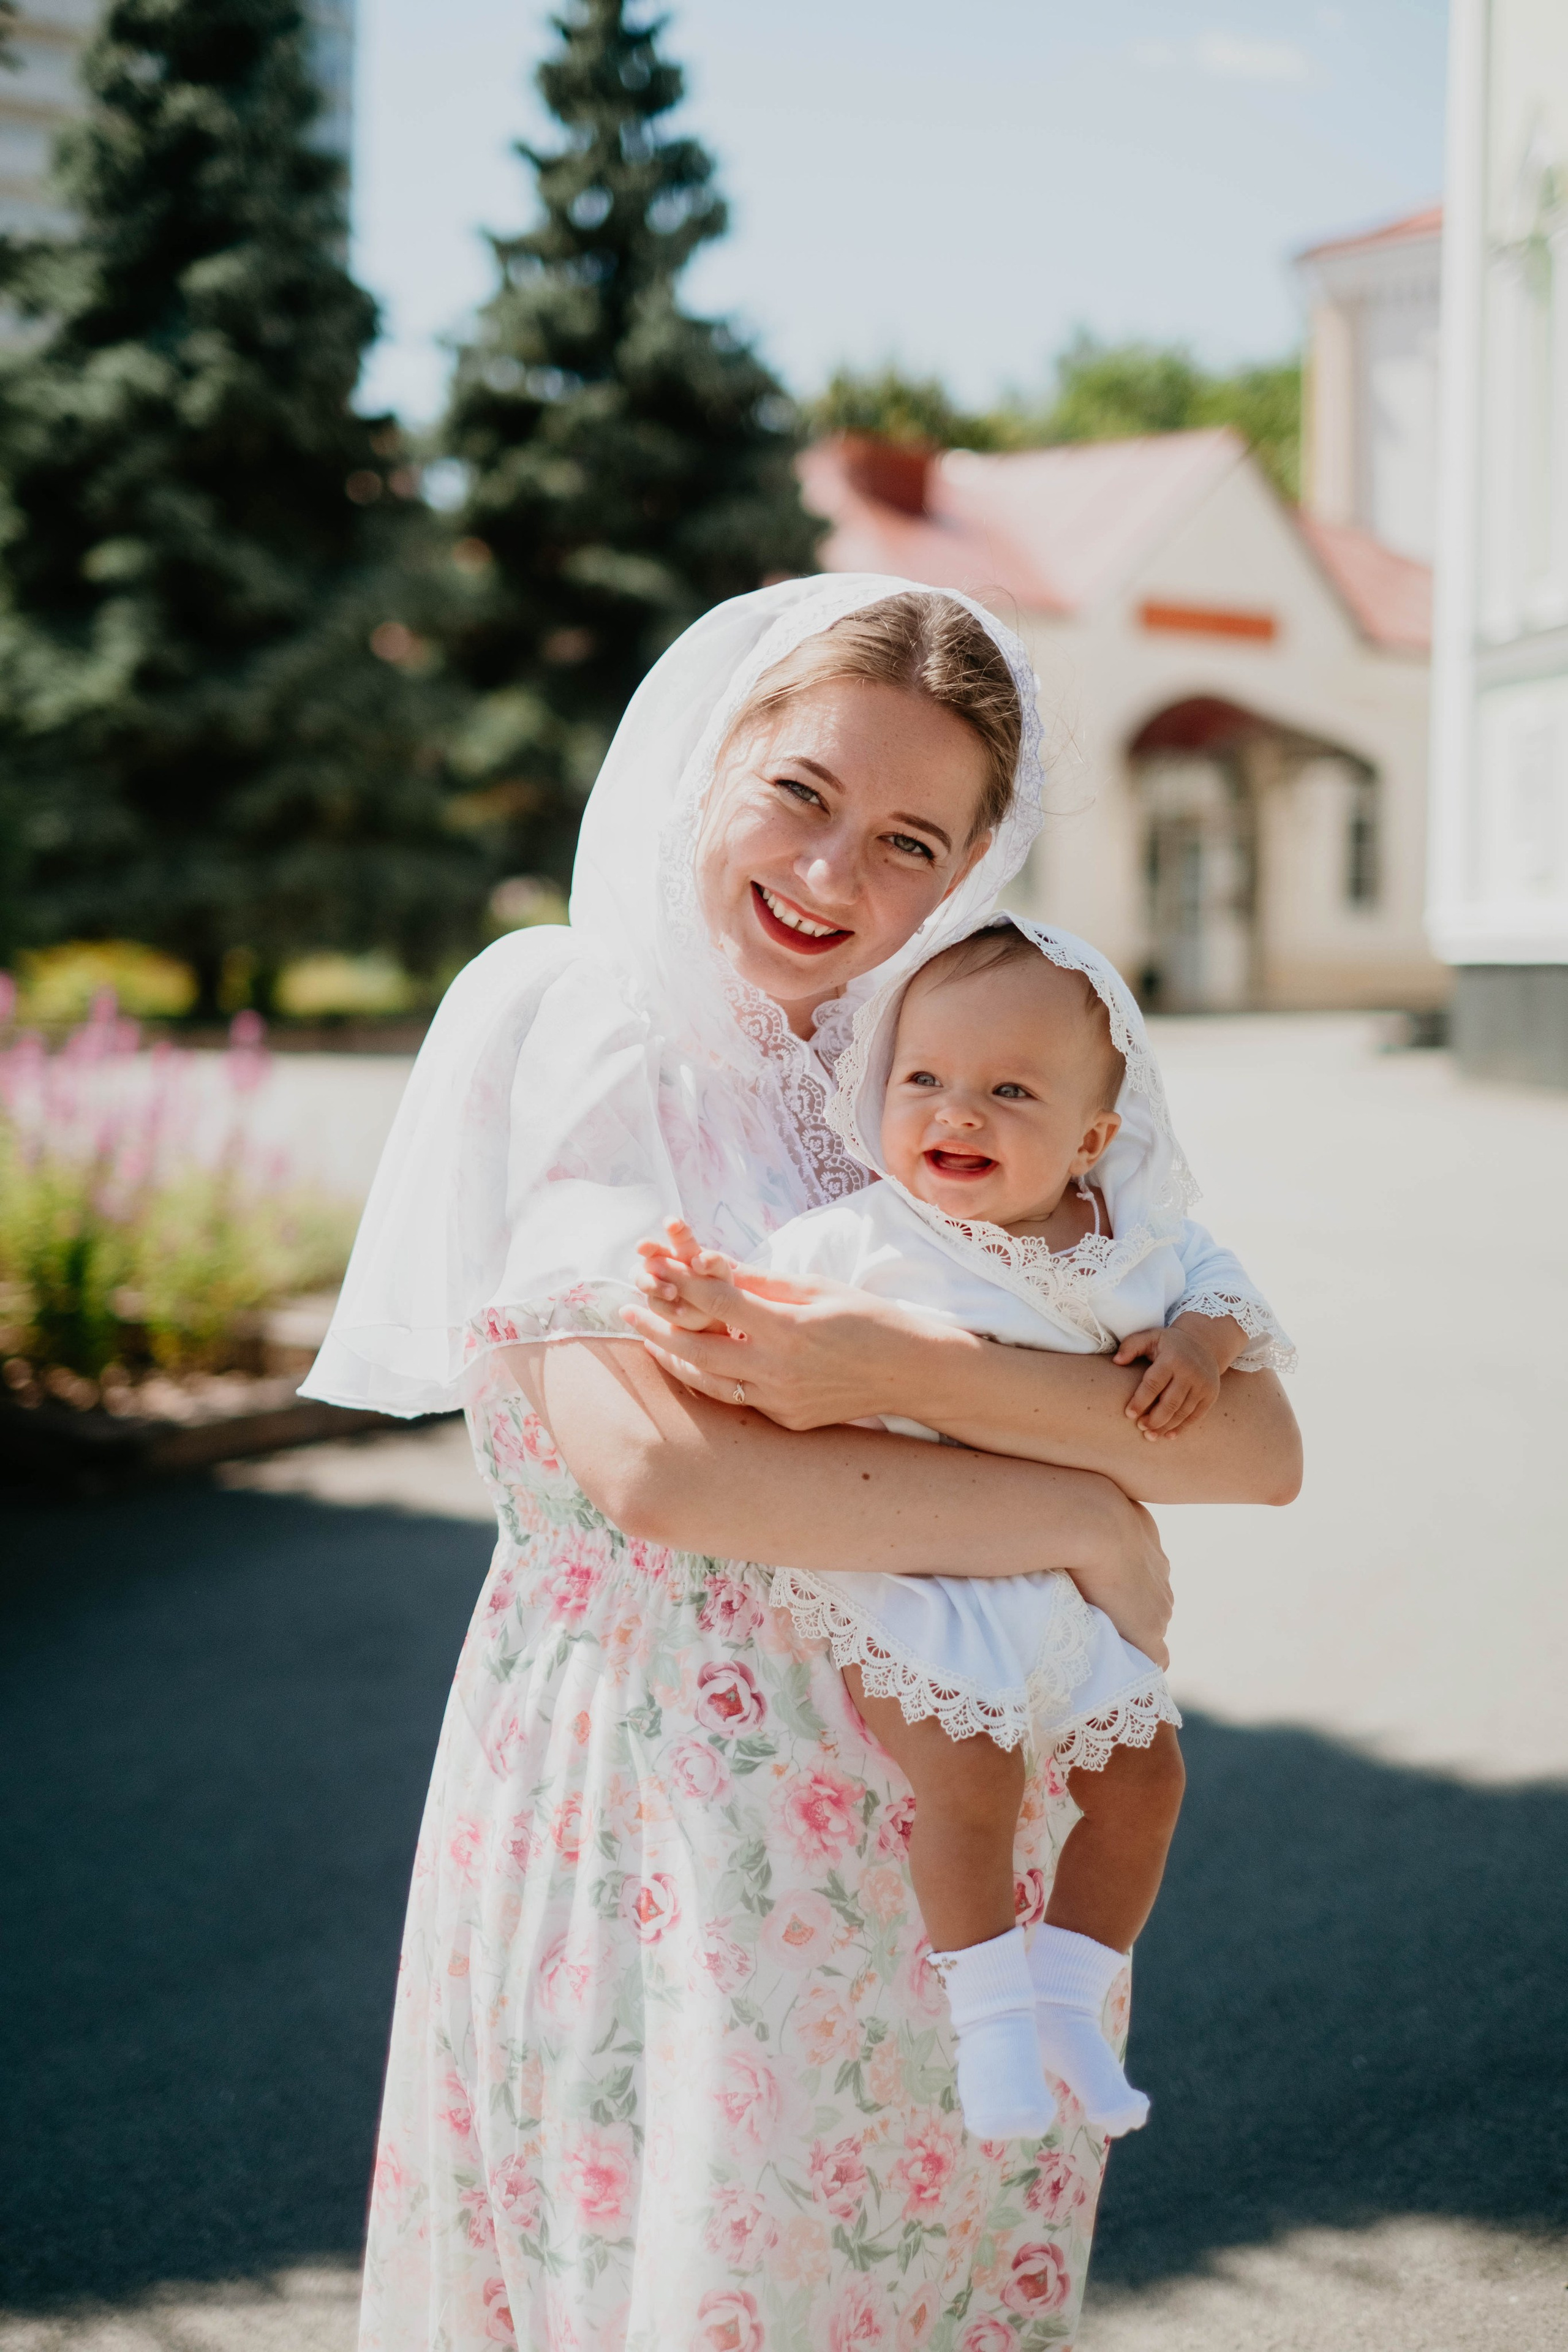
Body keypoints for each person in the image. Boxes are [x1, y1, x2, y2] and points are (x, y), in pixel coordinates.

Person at [303, 579, 1302, 2352]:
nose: (836, 877)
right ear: (709, 760)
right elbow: (663, 1472)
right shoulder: (584, 1018)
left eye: (910, 840)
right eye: (801, 794)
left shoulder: (942, 1053)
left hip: (952, 1837)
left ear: (976, 866)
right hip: (676, 1808)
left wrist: (888, 1369)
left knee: (911, 2276)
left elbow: (1251, 1439)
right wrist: (1076, 1512)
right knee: (704, 2281)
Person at [633, 914, 1295, 2148]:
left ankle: (1064, 2000)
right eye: (923, 1081)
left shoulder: (1126, 1243)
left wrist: (1200, 1344)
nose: (956, 1114)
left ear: (1093, 1138)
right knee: (972, 1783)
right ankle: (989, 2023)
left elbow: (1224, 1295)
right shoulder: (868, 1235)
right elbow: (766, 1308)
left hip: (1062, 1589)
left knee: (1145, 1785)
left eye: (1008, 1091)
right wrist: (703, 1294)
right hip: (922, 1571)